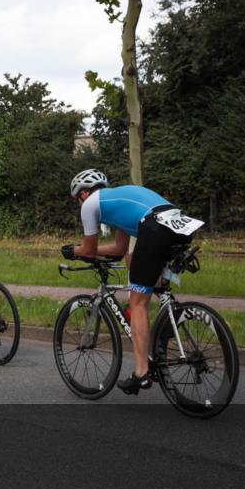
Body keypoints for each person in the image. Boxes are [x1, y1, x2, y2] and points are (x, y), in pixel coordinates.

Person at [64, 169, 204, 394]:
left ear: (83, 194)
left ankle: (141, 373)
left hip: (155, 227)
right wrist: (90, 251)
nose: (79, 203)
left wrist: (74, 250)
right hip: (179, 224)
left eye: (77, 199)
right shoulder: (116, 202)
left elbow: (89, 251)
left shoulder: (89, 205)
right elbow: (119, 249)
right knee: (138, 268)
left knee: (137, 302)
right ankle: (164, 332)